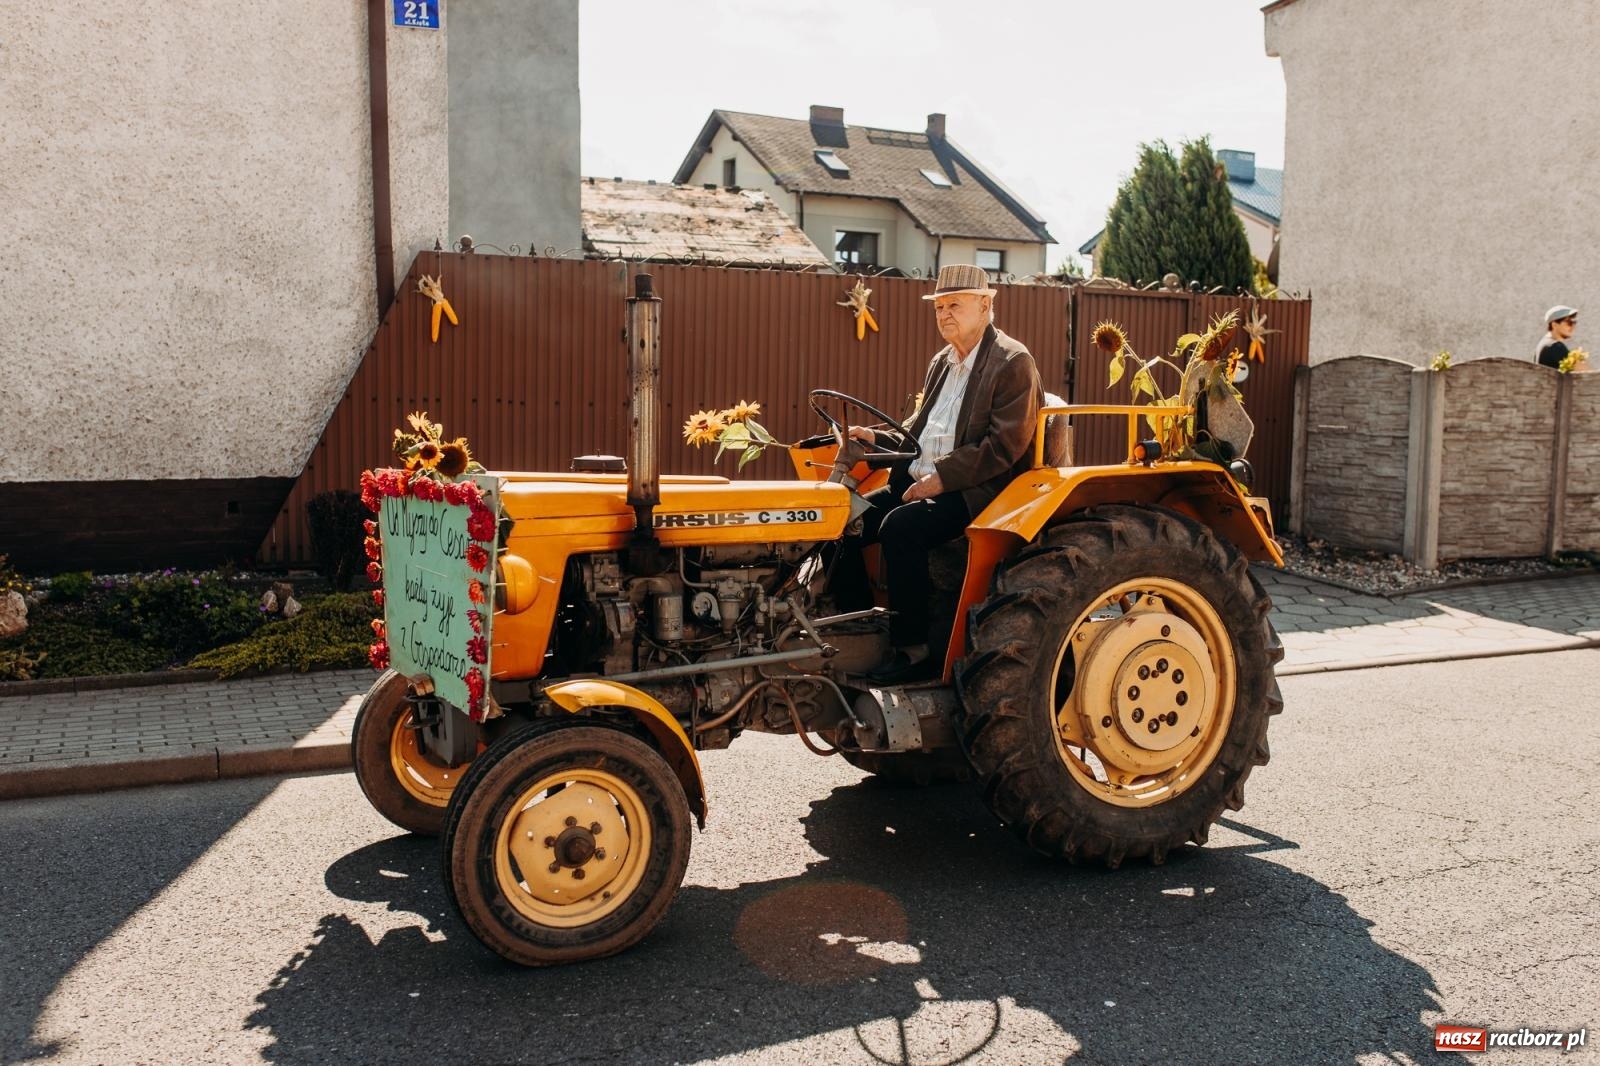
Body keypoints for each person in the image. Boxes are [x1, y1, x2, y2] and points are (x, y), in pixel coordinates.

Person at [843, 263, 1042, 683]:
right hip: (921, 481)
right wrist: (874, 438)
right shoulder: (942, 362)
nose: (945, 314)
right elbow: (920, 433)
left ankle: (915, 652)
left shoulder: (1012, 361)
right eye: (939, 307)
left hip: (979, 489)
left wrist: (941, 479)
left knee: (902, 528)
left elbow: (1005, 446)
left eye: (955, 304)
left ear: (986, 305)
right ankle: (853, 630)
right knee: (844, 516)